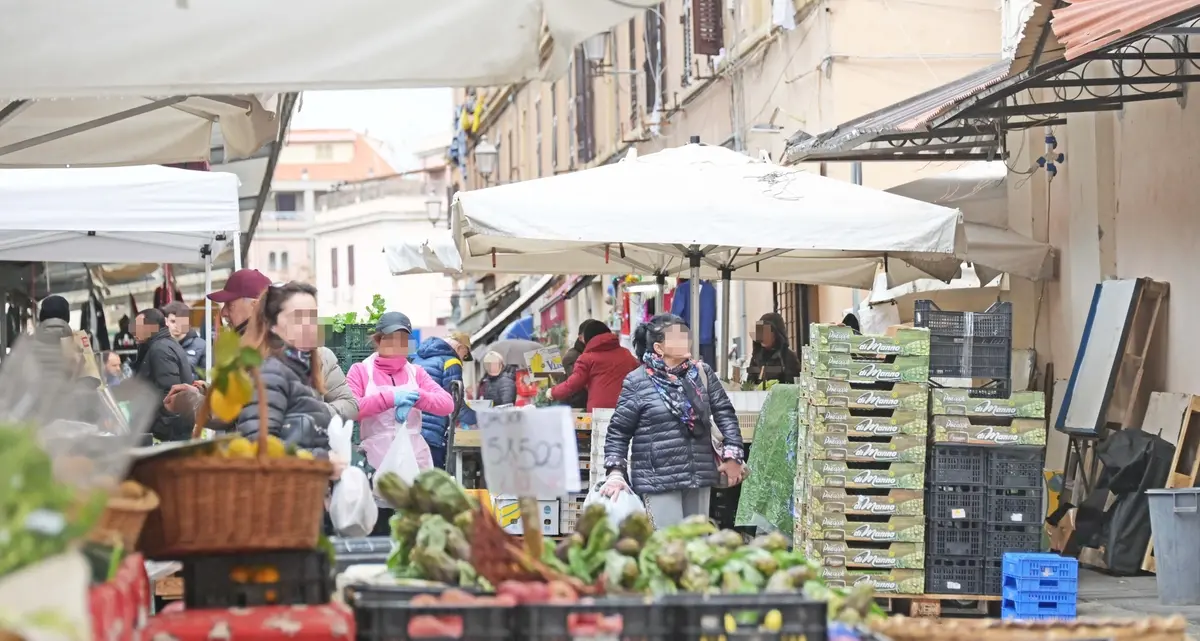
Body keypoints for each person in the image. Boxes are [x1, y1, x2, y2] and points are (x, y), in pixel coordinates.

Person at [601, 313, 746, 528]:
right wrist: (615, 472)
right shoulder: (637, 381)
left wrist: (733, 456)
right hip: (657, 479)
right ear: (659, 348)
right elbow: (619, 431)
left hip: (699, 475)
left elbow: (724, 413)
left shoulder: (701, 373)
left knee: (697, 548)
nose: (685, 341)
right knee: (669, 549)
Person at [165, 269, 358, 422]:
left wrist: (310, 414)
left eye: (230, 305)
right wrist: (203, 392)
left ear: (256, 305)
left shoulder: (313, 355)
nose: (223, 313)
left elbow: (349, 405)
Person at [346, 312, 455, 531]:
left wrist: (418, 397)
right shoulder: (360, 371)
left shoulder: (417, 373)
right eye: (391, 338)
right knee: (379, 528)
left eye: (403, 340)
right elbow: (350, 408)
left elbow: (447, 404)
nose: (398, 345)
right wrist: (389, 398)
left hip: (415, 460)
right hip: (377, 464)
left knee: (414, 527)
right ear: (378, 340)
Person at [235, 282, 332, 453]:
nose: (309, 326)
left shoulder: (301, 371)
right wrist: (323, 461)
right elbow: (260, 447)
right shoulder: (270, 373)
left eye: (313, 318)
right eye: (298, 319)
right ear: (272, 325)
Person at [133, 308, 196, 442]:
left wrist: (161, 431)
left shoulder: (160, 349)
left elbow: (171, 393)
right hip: (173, 430)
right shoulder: (163, 344)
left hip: (169, 434)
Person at [410, 330, 470, 470]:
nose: (463, 359)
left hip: (412, 429)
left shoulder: (419, 358)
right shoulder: (451, 361)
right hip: (433, 433)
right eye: (465, 355)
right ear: (460, 348)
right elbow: (457, 405)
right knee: (433, 481)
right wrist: (481, 419)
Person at [548, 321, 638, 411]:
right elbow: (639, 373)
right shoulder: (625, 353)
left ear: (588, 339)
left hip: (600, 411)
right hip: (626, 407)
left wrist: (553, 392)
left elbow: (573, 383)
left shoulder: (587, 358)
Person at [560, 320, 609, 409]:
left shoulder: (595, 354)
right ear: (580, 337)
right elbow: (578, 383)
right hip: (579, 408)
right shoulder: (572, 357)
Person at [670, 279, 717, 369]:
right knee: (708, 375)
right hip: (708, 338)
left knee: (686, 373)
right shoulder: (711, 290)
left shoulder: (682, 289)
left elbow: (675, 316)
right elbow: (714, 315)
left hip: (687, 341)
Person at [746, 312, 801, 387]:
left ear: (776, 334)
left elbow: (793, 387)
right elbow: (749, 384)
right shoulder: (756, 357)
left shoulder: (788, 357)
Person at [162, 301, 206, 371]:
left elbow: (207, 376)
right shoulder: (159, 345)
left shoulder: (202, 345)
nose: (177, 325)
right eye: (173, 321)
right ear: (166, 321)